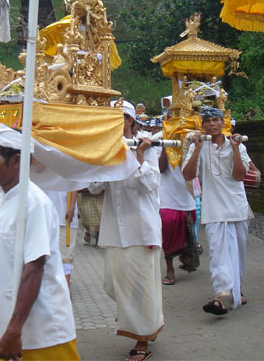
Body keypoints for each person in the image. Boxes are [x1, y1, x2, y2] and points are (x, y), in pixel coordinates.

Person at [0, 123, 80, 361]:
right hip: (2, 326)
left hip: (41, 332)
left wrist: (15, 329)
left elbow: (34, 267)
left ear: (16, 160)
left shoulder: (35, 203)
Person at [89, 101, 163, 361]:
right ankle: (137, 319)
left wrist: (139, 156)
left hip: (141, 230)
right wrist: (100, 160)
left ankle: (142, 342)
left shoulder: (146, 147)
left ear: (130, 120)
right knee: (113, 283)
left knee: (142, 289)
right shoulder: (108, 149)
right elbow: (95, 188)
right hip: (114, 231)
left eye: (119, 117)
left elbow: (150, 185)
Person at [182, 106, 251, 316]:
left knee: (237, 254)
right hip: (214, 210)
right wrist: (196, 148)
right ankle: (221, 296)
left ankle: (235, 291)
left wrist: (237, 149)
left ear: (223, 123)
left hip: (237, 208)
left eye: (216, 120)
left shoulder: (236, 145)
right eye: (208, 121)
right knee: (219, 255)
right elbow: (188, 174)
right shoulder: (201, 146)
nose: (212, 124)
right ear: (202, 125)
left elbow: (239, 176)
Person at [158, 145, 199, 285]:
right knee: (168, 235)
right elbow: (161, 168)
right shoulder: (160, 139)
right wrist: (165, 146)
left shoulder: (193, 141)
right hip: (167, 199)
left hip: (187, 197)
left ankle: (186, 257)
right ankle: (170, 270)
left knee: (188, 234)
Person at [45, 190, 79, 288]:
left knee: (66, 256)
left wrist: (72, 206)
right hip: (46, 214)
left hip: (64, 214)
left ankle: (65, 287)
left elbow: (75, 183)